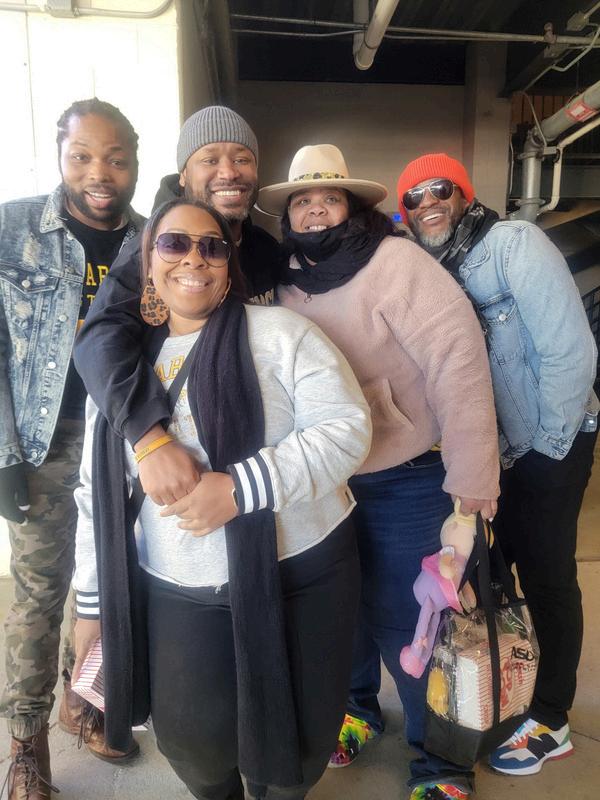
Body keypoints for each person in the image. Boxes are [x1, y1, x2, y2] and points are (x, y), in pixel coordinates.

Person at [72, 197, 372, 800]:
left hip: (302, 576)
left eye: (212, 247)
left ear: (229, 268)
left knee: (301, 746)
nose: (194, 259)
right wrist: (90, 604)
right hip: (178, 588)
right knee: (193, 745)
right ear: (148, 263)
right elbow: (95, 496)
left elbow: (347, 429)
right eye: (174, 243)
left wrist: (241, 489)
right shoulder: (122, 372)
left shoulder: (283, 334)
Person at [256, 145, 500, 800]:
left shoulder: (396, 263)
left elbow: (459, 362)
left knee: (412, 620)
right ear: (289, 214)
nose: (315, 209)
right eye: (303, 200)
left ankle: (441, 763)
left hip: (405, 475)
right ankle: (358, 708)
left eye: (329, 197)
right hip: (323, 480)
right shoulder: (282, 276)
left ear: (352, 206)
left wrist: (471, 487)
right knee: (343, 611)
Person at [397, 152, 599, 778]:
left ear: (463, 193)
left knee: (546, 576)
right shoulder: (430, 269)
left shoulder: (513, 244)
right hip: (489, 453)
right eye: (413, 198)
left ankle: (552, 719)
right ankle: (513, 695)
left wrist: (546, 451)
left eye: (440, 189)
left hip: (548, 440)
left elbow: (571, 351)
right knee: (496, 581)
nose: (428, 203)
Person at [0, 98, 144, 798]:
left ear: (134, 163)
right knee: (39, 592)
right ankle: (25, 746)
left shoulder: (153, 239)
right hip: (44, 444)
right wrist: (3, 455)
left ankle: (81, 701)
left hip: (121, 443)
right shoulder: (13, 229)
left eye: (115, 159)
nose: (99, 173)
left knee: (108, 583)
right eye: (82, 156)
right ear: (60, 155)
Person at [73, 104, 281, 511]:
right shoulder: (155, 248)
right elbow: (99, 338)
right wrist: (149, 438)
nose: (228, 172)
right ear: (183, 174)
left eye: (242, 159)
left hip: (261, 470)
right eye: (209, 159)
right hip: (179, 470)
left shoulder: (265, 249)